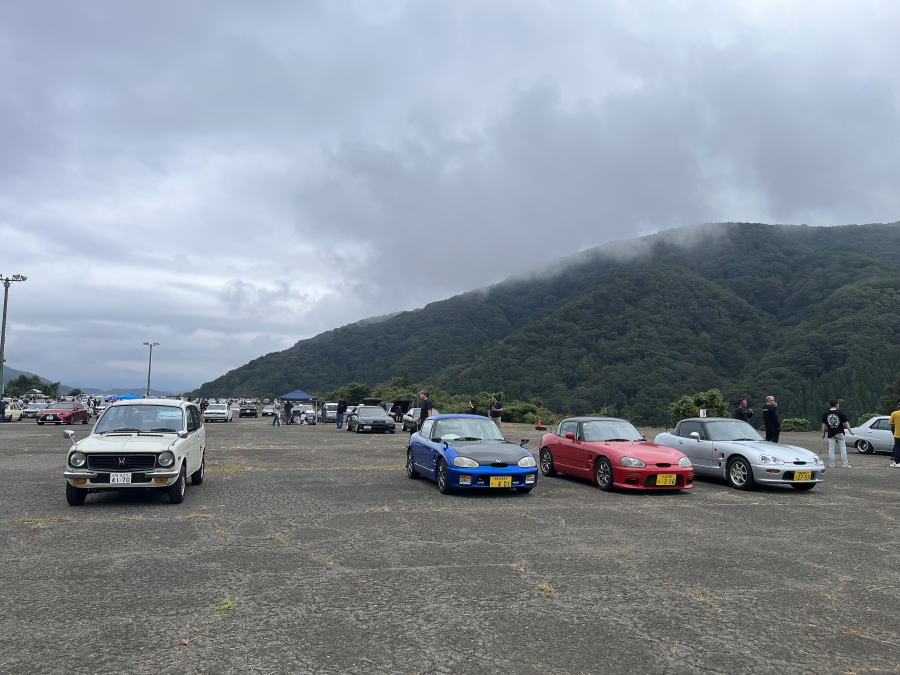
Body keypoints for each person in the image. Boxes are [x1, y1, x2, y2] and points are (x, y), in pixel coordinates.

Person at [821, 399, 852, 468]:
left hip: (831, 433)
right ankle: (845, 464)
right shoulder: (840, 413)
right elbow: (846, 423)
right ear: (836, 404)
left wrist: (823, 433)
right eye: (838, 404)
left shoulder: (826, 413)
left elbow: (823, 424)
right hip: (840, 432)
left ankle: (832, 464)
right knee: (843, 449)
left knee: (831, 449)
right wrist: (850, 431)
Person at [889, 400, 900, 468]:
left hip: (897, 435)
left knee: (897, 448)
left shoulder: (894, 413)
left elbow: (891, 424)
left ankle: (897, 462)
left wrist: (893, 432)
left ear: (898, 406)